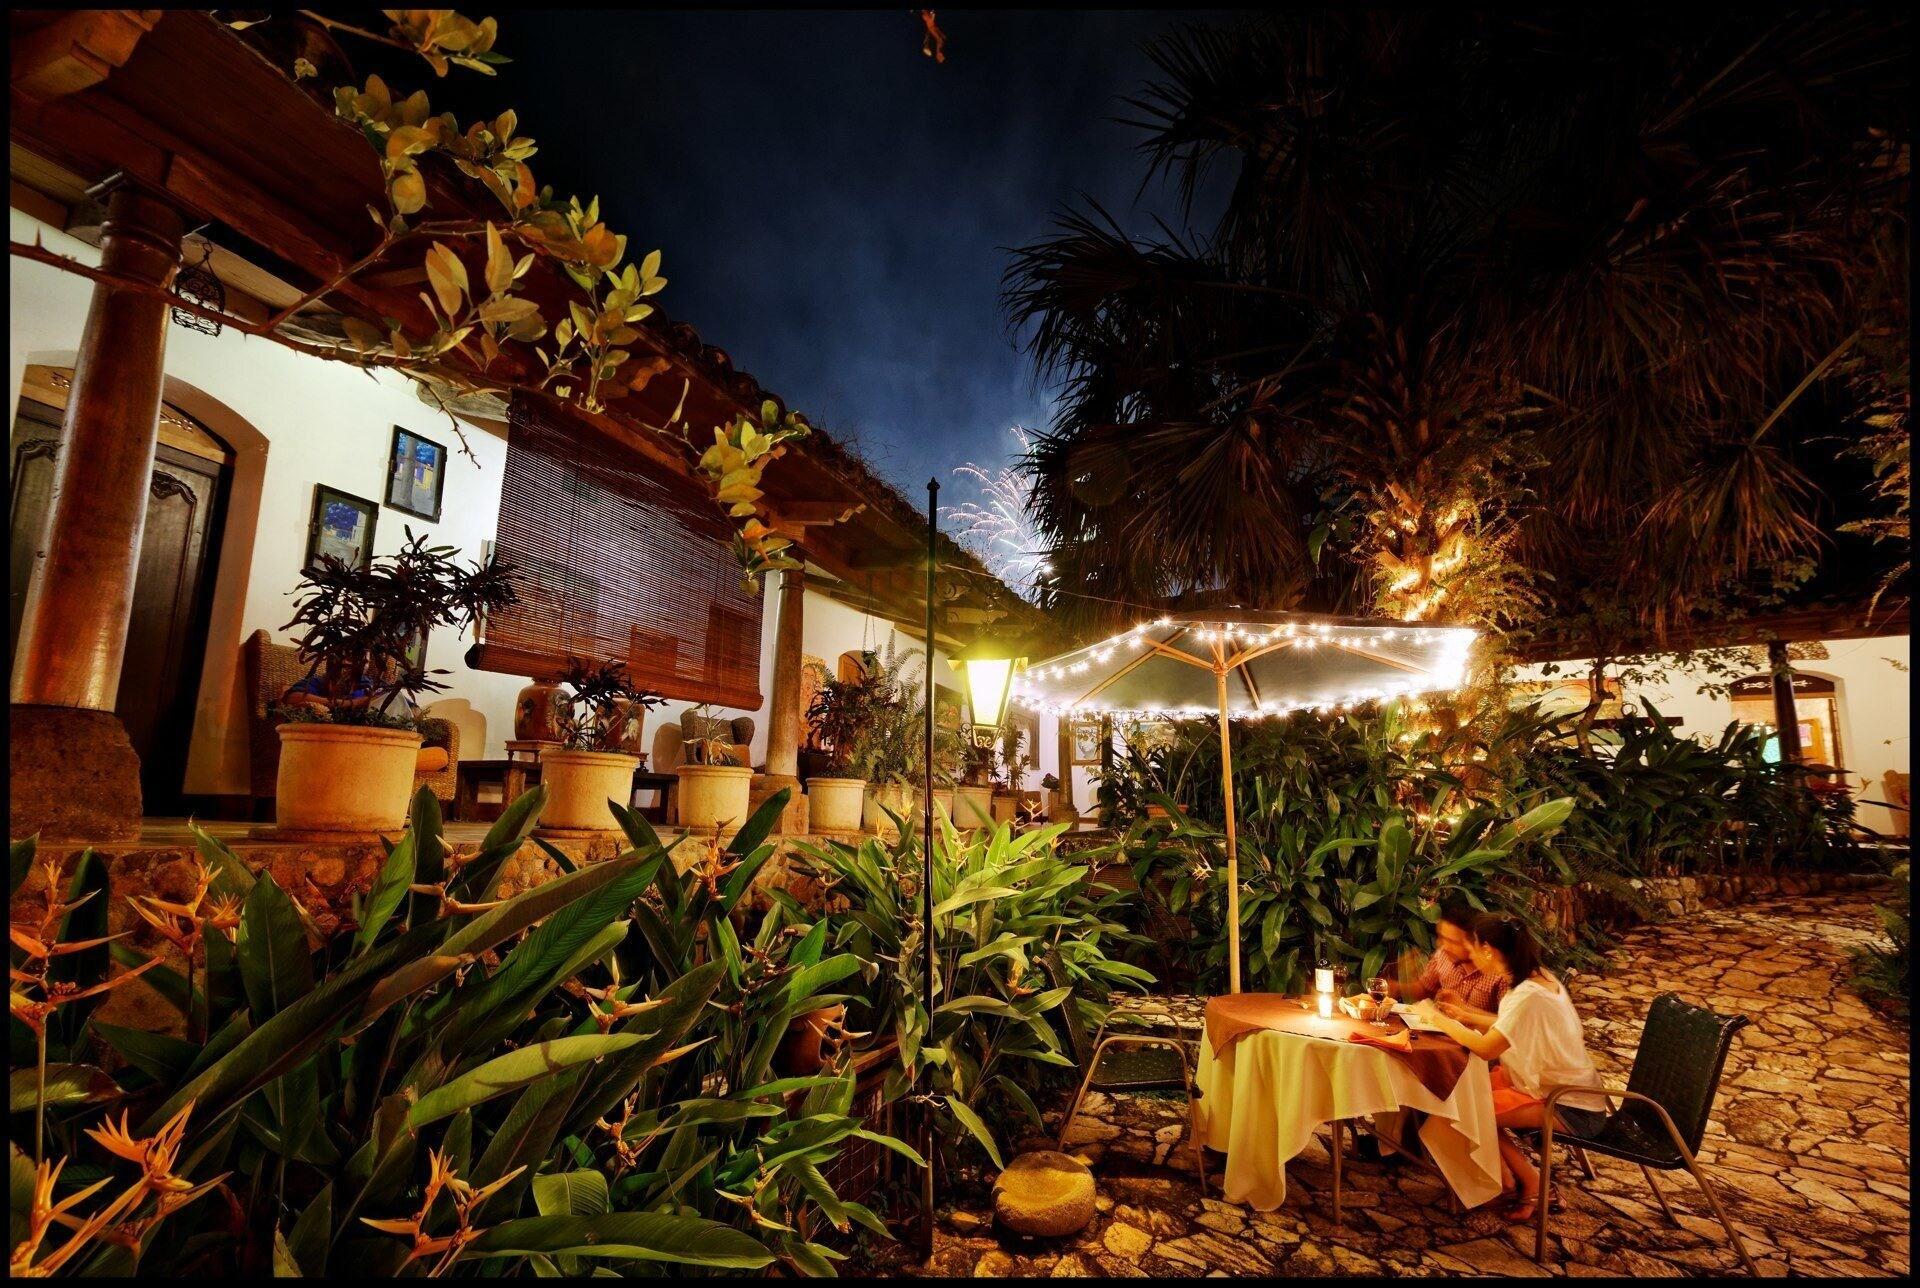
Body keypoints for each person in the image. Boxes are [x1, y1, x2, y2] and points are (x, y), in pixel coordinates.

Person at [1410, 912, 1604, 1226]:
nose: (1470, 956)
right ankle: (1503, 1181)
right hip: (1568, 1088)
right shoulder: (1540, 979)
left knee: (1465, 1111)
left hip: (1570, 1104)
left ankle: (1529, 1184)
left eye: (1473, 949)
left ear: (1488, 950)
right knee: (1461, 1094)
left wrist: (1437, 1019)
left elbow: (1487, 1048)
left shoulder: (1526, 995)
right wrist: (1465, 1015)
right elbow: (1512, 1024)